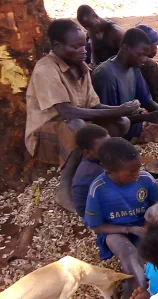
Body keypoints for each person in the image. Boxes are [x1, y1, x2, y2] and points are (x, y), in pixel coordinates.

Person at [25, 19, 139, 213]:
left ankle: (104, 170)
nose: (83, 49)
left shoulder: (81, 67)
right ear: (57, 46)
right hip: (45, 136)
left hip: (75, 123)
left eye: (83, 43)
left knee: (122, 122)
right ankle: (65, 188)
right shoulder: (46, 70)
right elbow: (66, 111)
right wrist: (116, 110)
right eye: (76, 46)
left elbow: (94, 105)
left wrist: (123, 109)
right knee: (76, 126)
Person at [84, 137, 158, 299]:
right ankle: (142, 295)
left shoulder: (145, 178)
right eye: (131, 173)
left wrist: (154, 208)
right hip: (115, 232)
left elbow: (157, 200)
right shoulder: (98, 189)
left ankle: (135, 287)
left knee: (150, 254)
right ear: (110, 171)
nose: (137, 175)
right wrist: (128, 230)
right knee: (127, 252)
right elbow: (97, 227)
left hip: (142, 227)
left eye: (138, 169)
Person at [71, 125, 110, 217]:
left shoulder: (100, 158)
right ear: (87, 152)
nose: (110, 149)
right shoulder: (93, 172)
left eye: (110, 143)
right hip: (94, 214)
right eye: (103, 148)